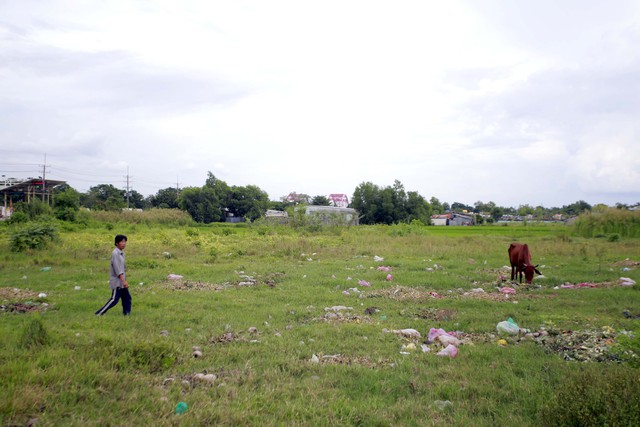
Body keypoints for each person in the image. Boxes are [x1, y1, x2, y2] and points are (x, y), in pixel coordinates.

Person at [95, 234, 132, 316]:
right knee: (114, 300)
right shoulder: (115, 254)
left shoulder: (121, 253)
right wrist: (123, 281)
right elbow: (118, 270)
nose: (124, 243)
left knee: (127, 298)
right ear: (116, 243)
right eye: (122, 241)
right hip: (118, 281)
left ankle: (127, 315)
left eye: (125, 241)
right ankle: (99, 313)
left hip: (121, 281)